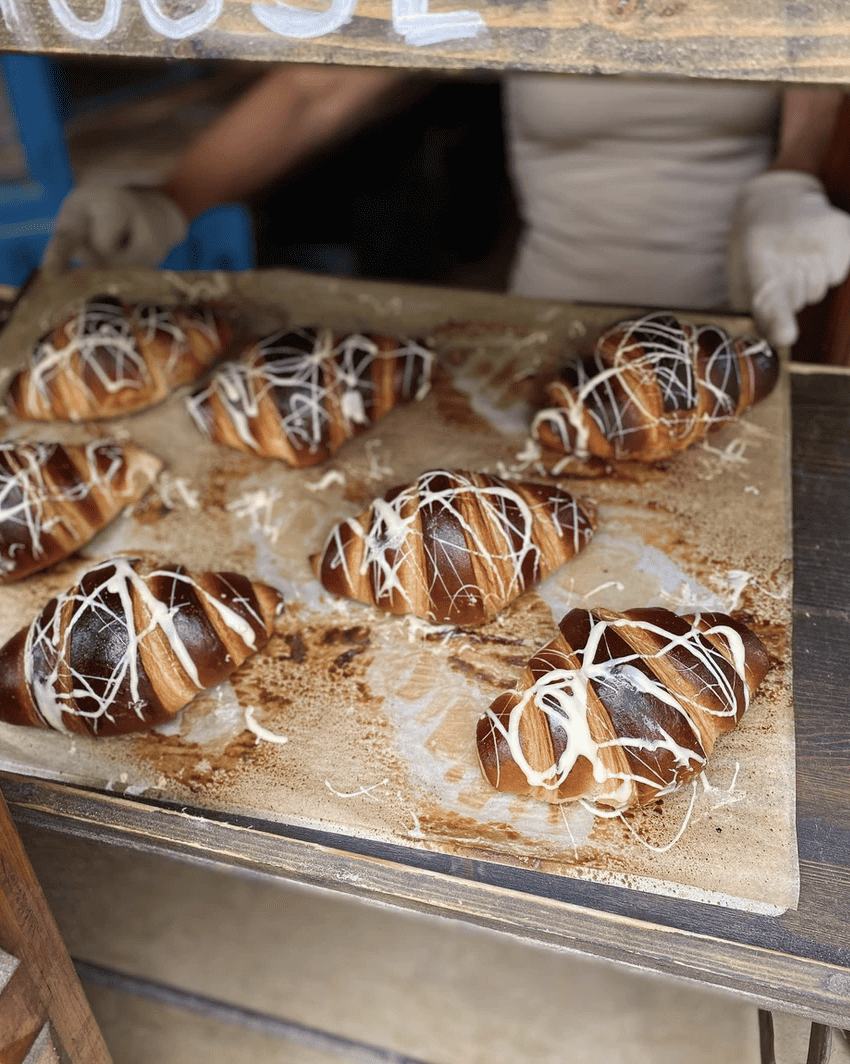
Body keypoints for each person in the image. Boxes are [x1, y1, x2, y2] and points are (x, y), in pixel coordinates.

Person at [42, 63, 850, 349]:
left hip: (728, 327)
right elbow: (318, 87)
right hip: (542, 324)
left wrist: (789, 178)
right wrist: (175, 198)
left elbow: (822, 53)